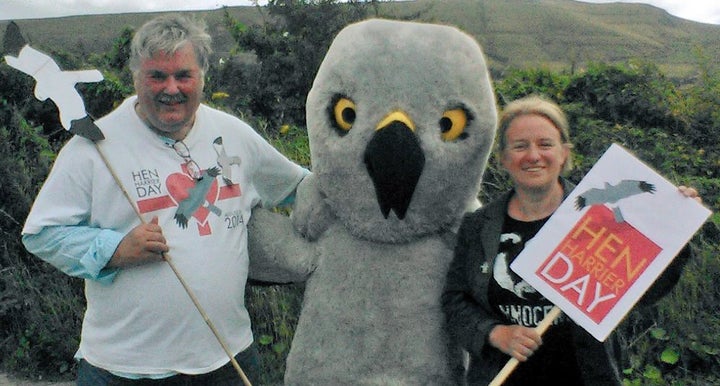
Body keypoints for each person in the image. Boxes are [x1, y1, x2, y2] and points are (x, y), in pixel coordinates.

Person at [21, 14, 309, 385]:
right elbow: (41, 233)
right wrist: (114, 249)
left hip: (228, 358)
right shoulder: (93, 146)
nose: (170, 88)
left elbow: (298, 188)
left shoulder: (234, 135)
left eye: (183, 75)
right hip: (124, 370)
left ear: (203, 77)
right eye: (157, 76)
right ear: (136, 77)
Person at [441, 95, 701, 386]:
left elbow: (647, 293)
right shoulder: (478, 226)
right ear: (503, 158)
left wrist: (672, 229)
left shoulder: (600, 218)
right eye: (520, 146)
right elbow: (455, 302)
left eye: (545, 144)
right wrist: (494, 333)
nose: (533, 155)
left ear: (564, 153)